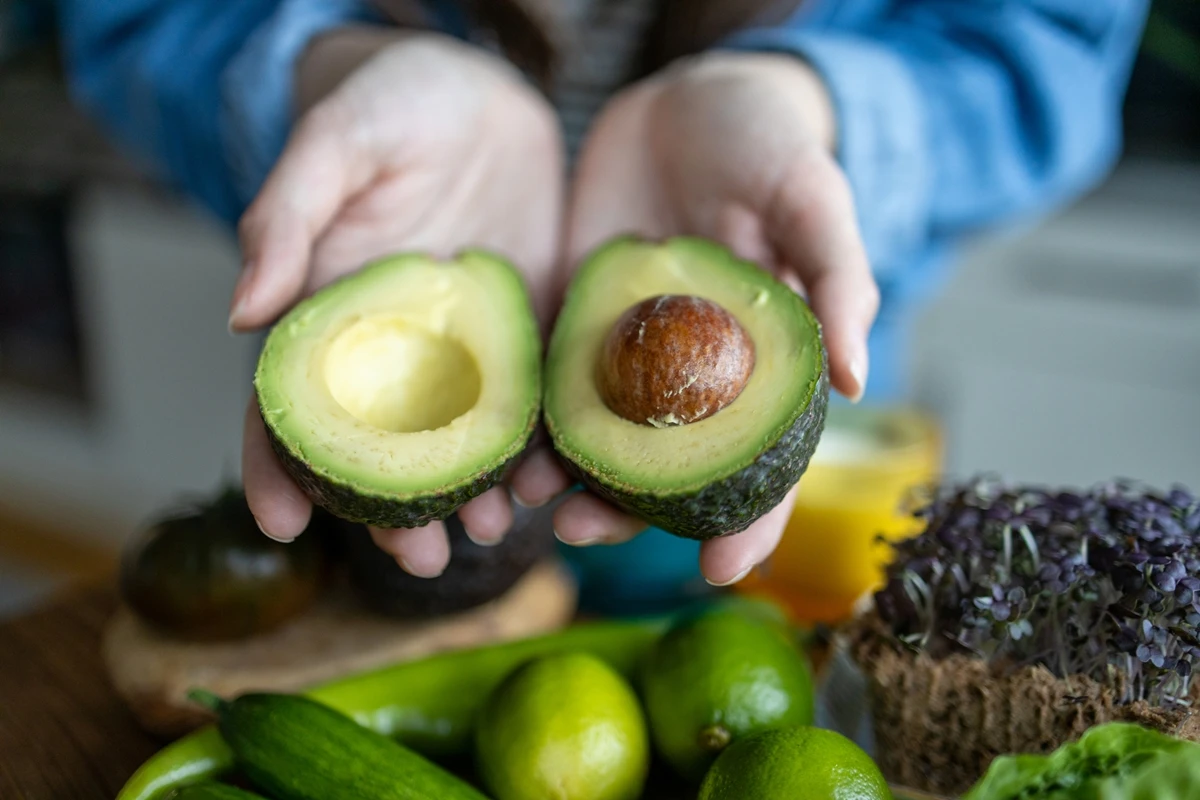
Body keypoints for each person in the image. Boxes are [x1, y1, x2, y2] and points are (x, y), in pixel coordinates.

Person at [57, 0, 1149, 597]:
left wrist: (812, 101)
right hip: (405, 487)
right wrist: (320, 71)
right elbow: (130, 18)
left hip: (791, 468)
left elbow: (1045, 44)